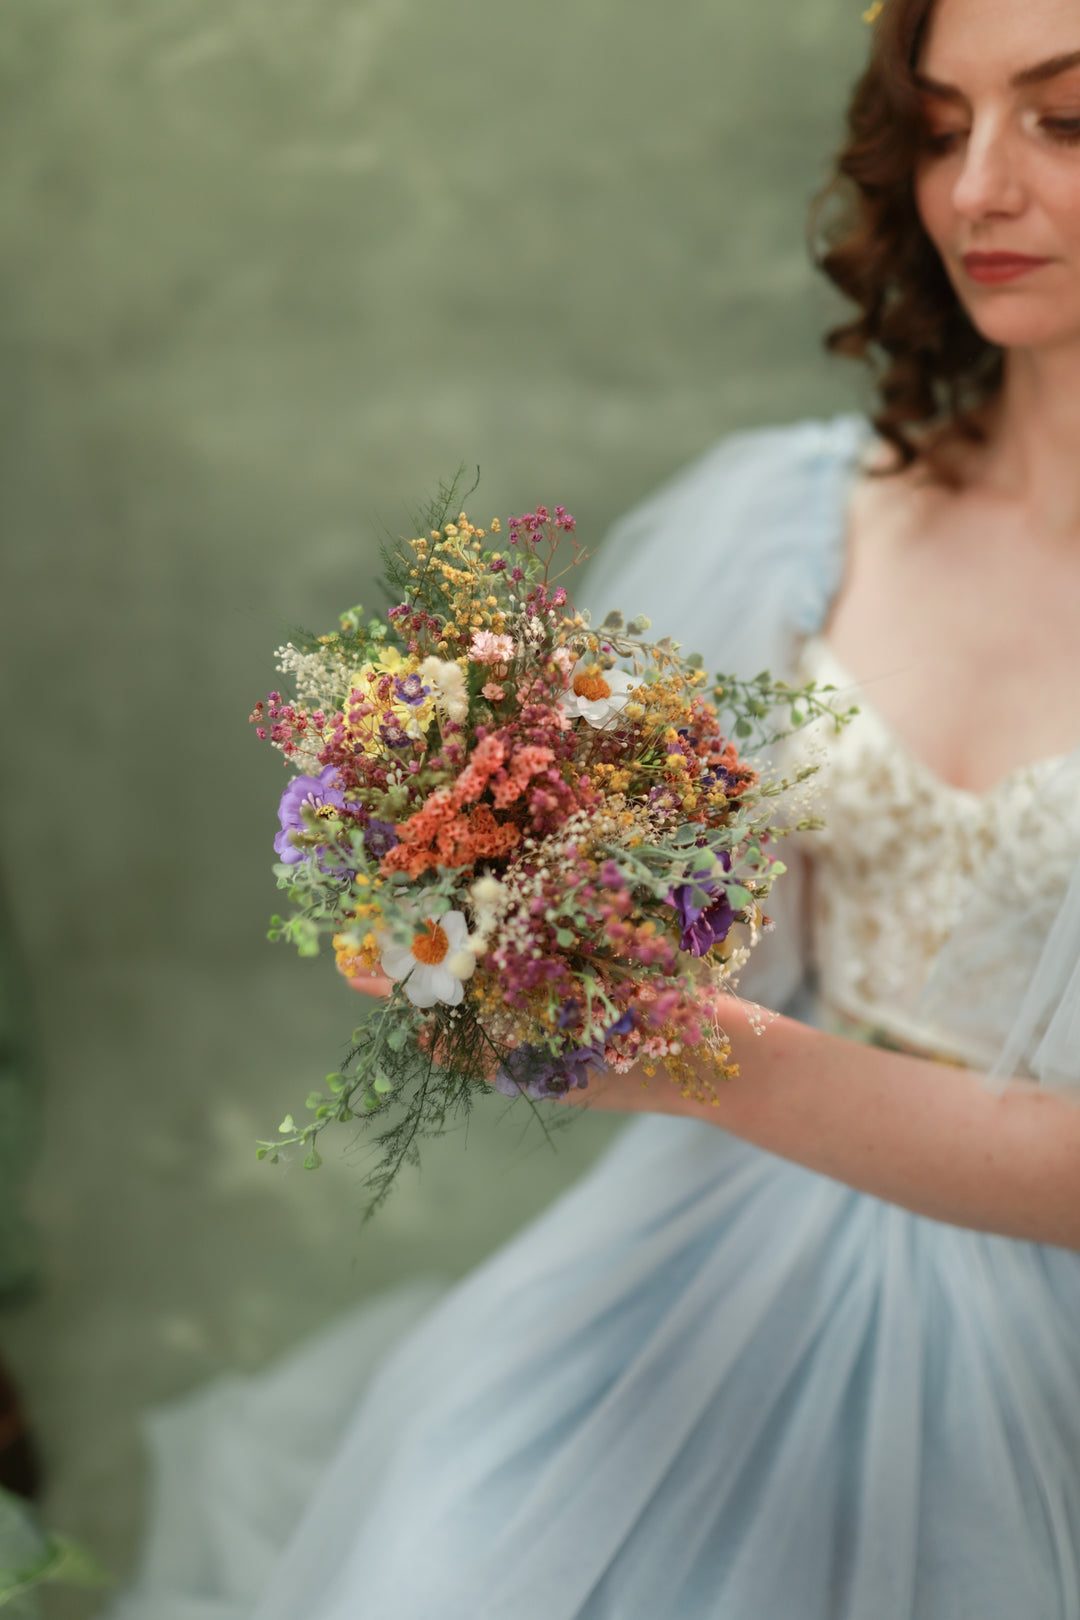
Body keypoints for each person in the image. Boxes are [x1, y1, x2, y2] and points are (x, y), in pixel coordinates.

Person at [107, 0, 1080, 1614]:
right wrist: (487, 905)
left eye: (1066, 119)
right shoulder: (790, 520)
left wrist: (705, 1055)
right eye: (936, 122)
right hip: (738, 1239)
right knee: (453, 1546)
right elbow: (696, 917)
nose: (976, 189)